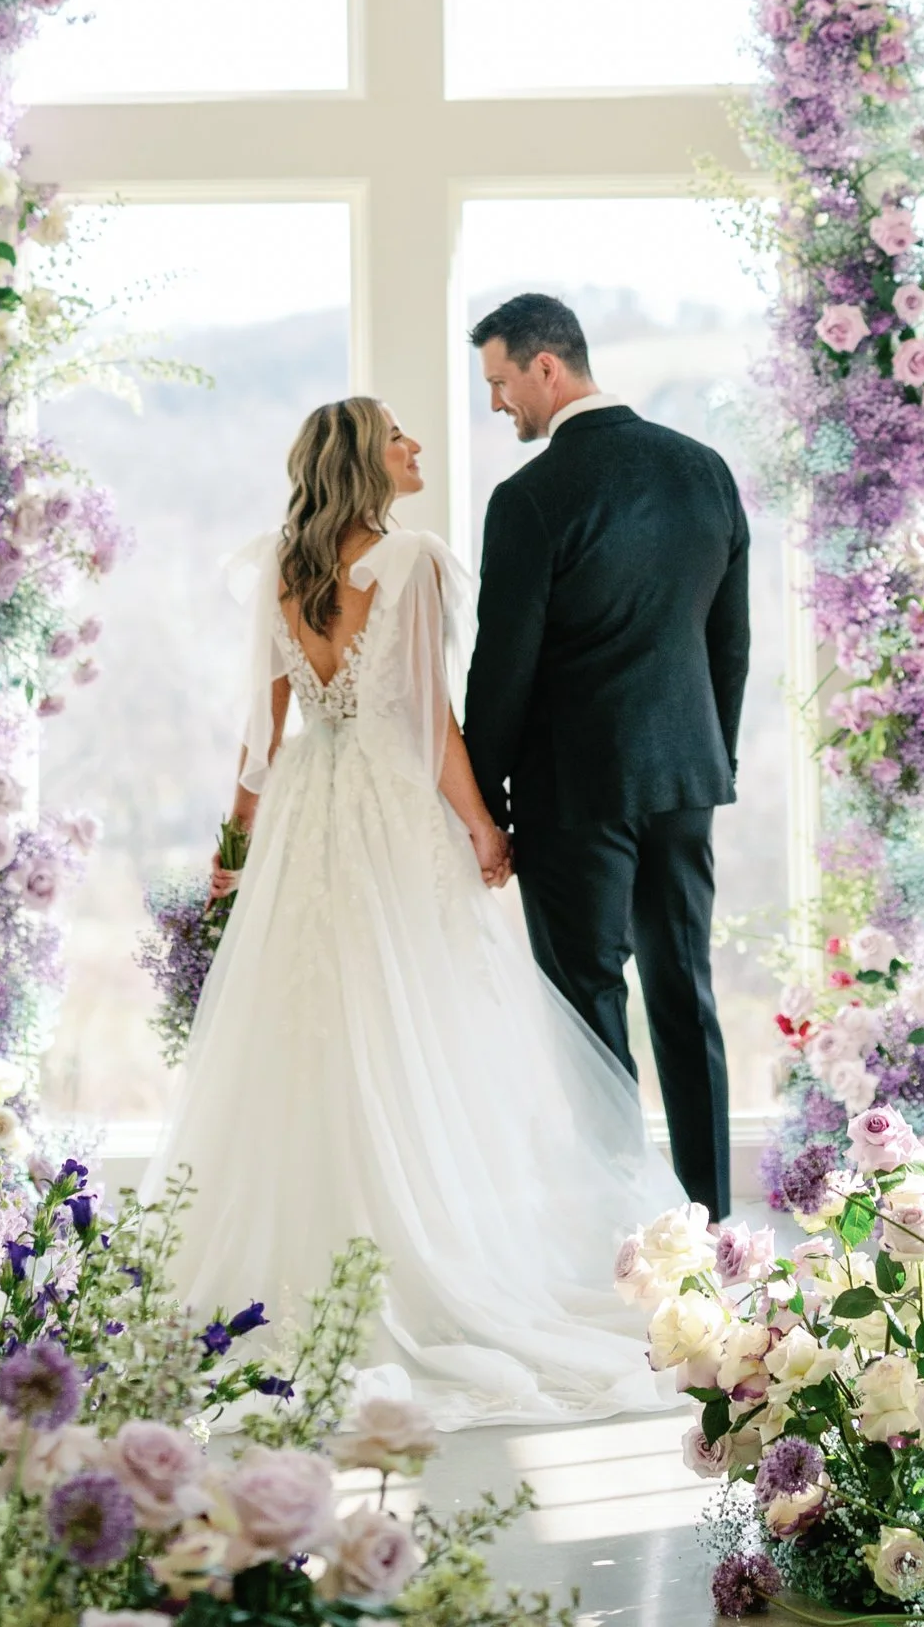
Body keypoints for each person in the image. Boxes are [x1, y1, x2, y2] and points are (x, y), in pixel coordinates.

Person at [143, 394, 673, 1425]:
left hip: (305, 810)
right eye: (399, 434)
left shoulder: (283, 569)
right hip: (388, 806)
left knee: (309, 1028)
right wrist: (481, 825)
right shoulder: (413, 557)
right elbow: (432, 722)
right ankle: (406, 1248)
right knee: (409, 1019)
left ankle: (300, 1256)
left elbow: (264, 728)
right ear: (363, 460)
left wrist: (233, 848)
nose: (416, 444)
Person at [464, 293, 750, 1223]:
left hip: (571, 789)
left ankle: (628, 1232)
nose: (498, 404)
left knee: (588, 1010)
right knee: (684, 992)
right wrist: (710, 758)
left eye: (501, 383)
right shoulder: (703, 472)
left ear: (547, 368)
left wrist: (483, 797)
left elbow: (500, 666)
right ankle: (708, 1228)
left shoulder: (531, 498)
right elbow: (730, 643)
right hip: (685, 780)